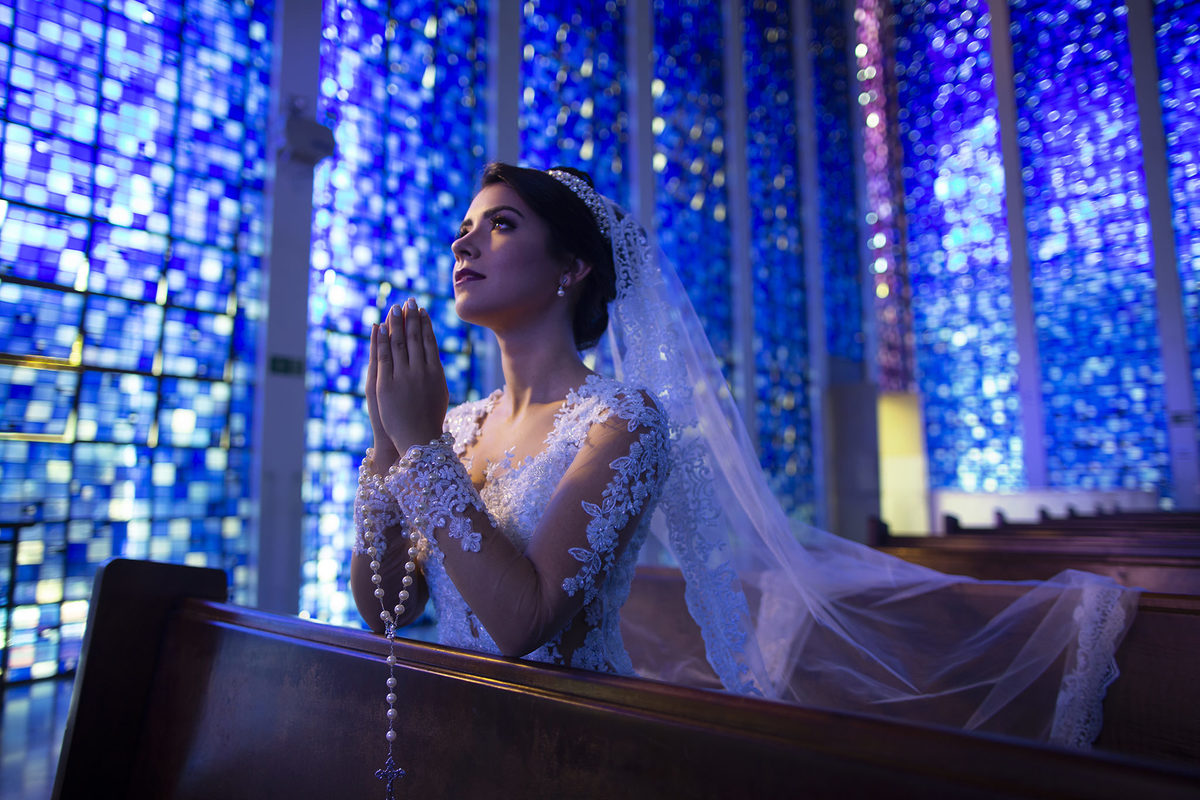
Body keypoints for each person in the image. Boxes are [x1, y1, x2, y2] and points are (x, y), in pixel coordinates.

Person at [352, 163, 1139, 760]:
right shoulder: (454, 427)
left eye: (501, 225)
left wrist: (416, 451)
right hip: (450, 723)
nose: (463, 241)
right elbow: (384, 607)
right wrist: (392, 447)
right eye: (464, 227)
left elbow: (523, 623)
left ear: (573, 268)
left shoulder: (622, 422)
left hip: (571, 744)